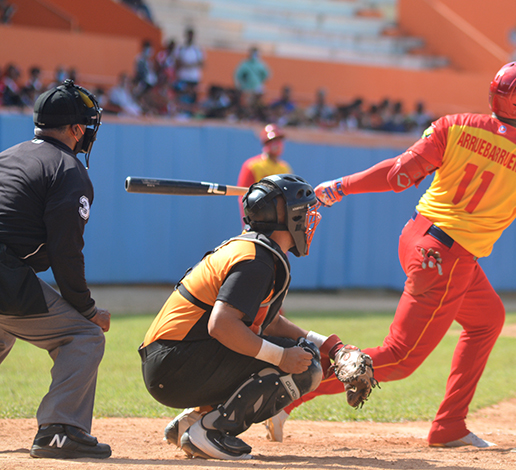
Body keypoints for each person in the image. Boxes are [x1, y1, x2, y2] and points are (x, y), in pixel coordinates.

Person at [267, 61, 516, 448]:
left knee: (487, 319)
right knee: (400, 358)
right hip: (449, 257)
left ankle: (450, 425)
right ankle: (286, 392)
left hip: (418, 237)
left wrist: (342, 186)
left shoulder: (454, 125)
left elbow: (398, 176)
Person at [138, 174, 362, 460]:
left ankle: (192, 423)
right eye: (305, 212)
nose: (308, 220)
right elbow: (221, 325)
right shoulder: (256, 260)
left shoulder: (254, 250)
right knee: (304, 365)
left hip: (173, 360)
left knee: (295, 350)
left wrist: (330, 346)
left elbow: (271, 322)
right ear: (288, 216)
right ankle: (210, 431)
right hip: (175, 365)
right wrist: (282, 358)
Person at [0, 79, 111, 459]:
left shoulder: (8, 155)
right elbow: (66, 252)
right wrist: (87, 310)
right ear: (76, 129)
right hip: (4, 273)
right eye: (86, 126)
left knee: (3, 329)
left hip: (8, 271)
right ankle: (60, 429)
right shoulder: (69, 170)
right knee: (84, 337)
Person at [236, 123, 292, 223]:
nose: (277, 144)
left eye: (279, 140)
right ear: (265, 143)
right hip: (258, 218)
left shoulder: (285, 168)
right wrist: (248, 221)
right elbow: (242, 196)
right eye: (273, 141)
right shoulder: (252, 165)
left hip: (278, 220)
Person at [234, 46, 270, 111]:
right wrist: (240, 85)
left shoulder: (261, 64)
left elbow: (267, 75)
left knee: (258, 105)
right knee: (248, 105)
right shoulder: (245, 64)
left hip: (257, 88)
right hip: (247, 88)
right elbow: (238, 75)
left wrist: (260, 82)